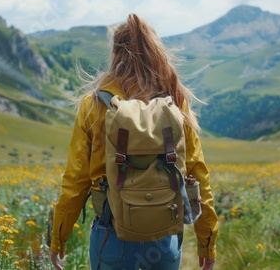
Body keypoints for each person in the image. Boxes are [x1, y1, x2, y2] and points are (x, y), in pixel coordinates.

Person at [50, 14, 218, 270]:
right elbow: (197, 175)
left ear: (116, 53)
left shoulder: (94, 105)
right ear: (156, 51)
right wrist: (207, 242)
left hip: (111, 234)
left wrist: (58, 238)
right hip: (164, 237)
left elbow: (75, 182)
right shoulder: (175, 102)